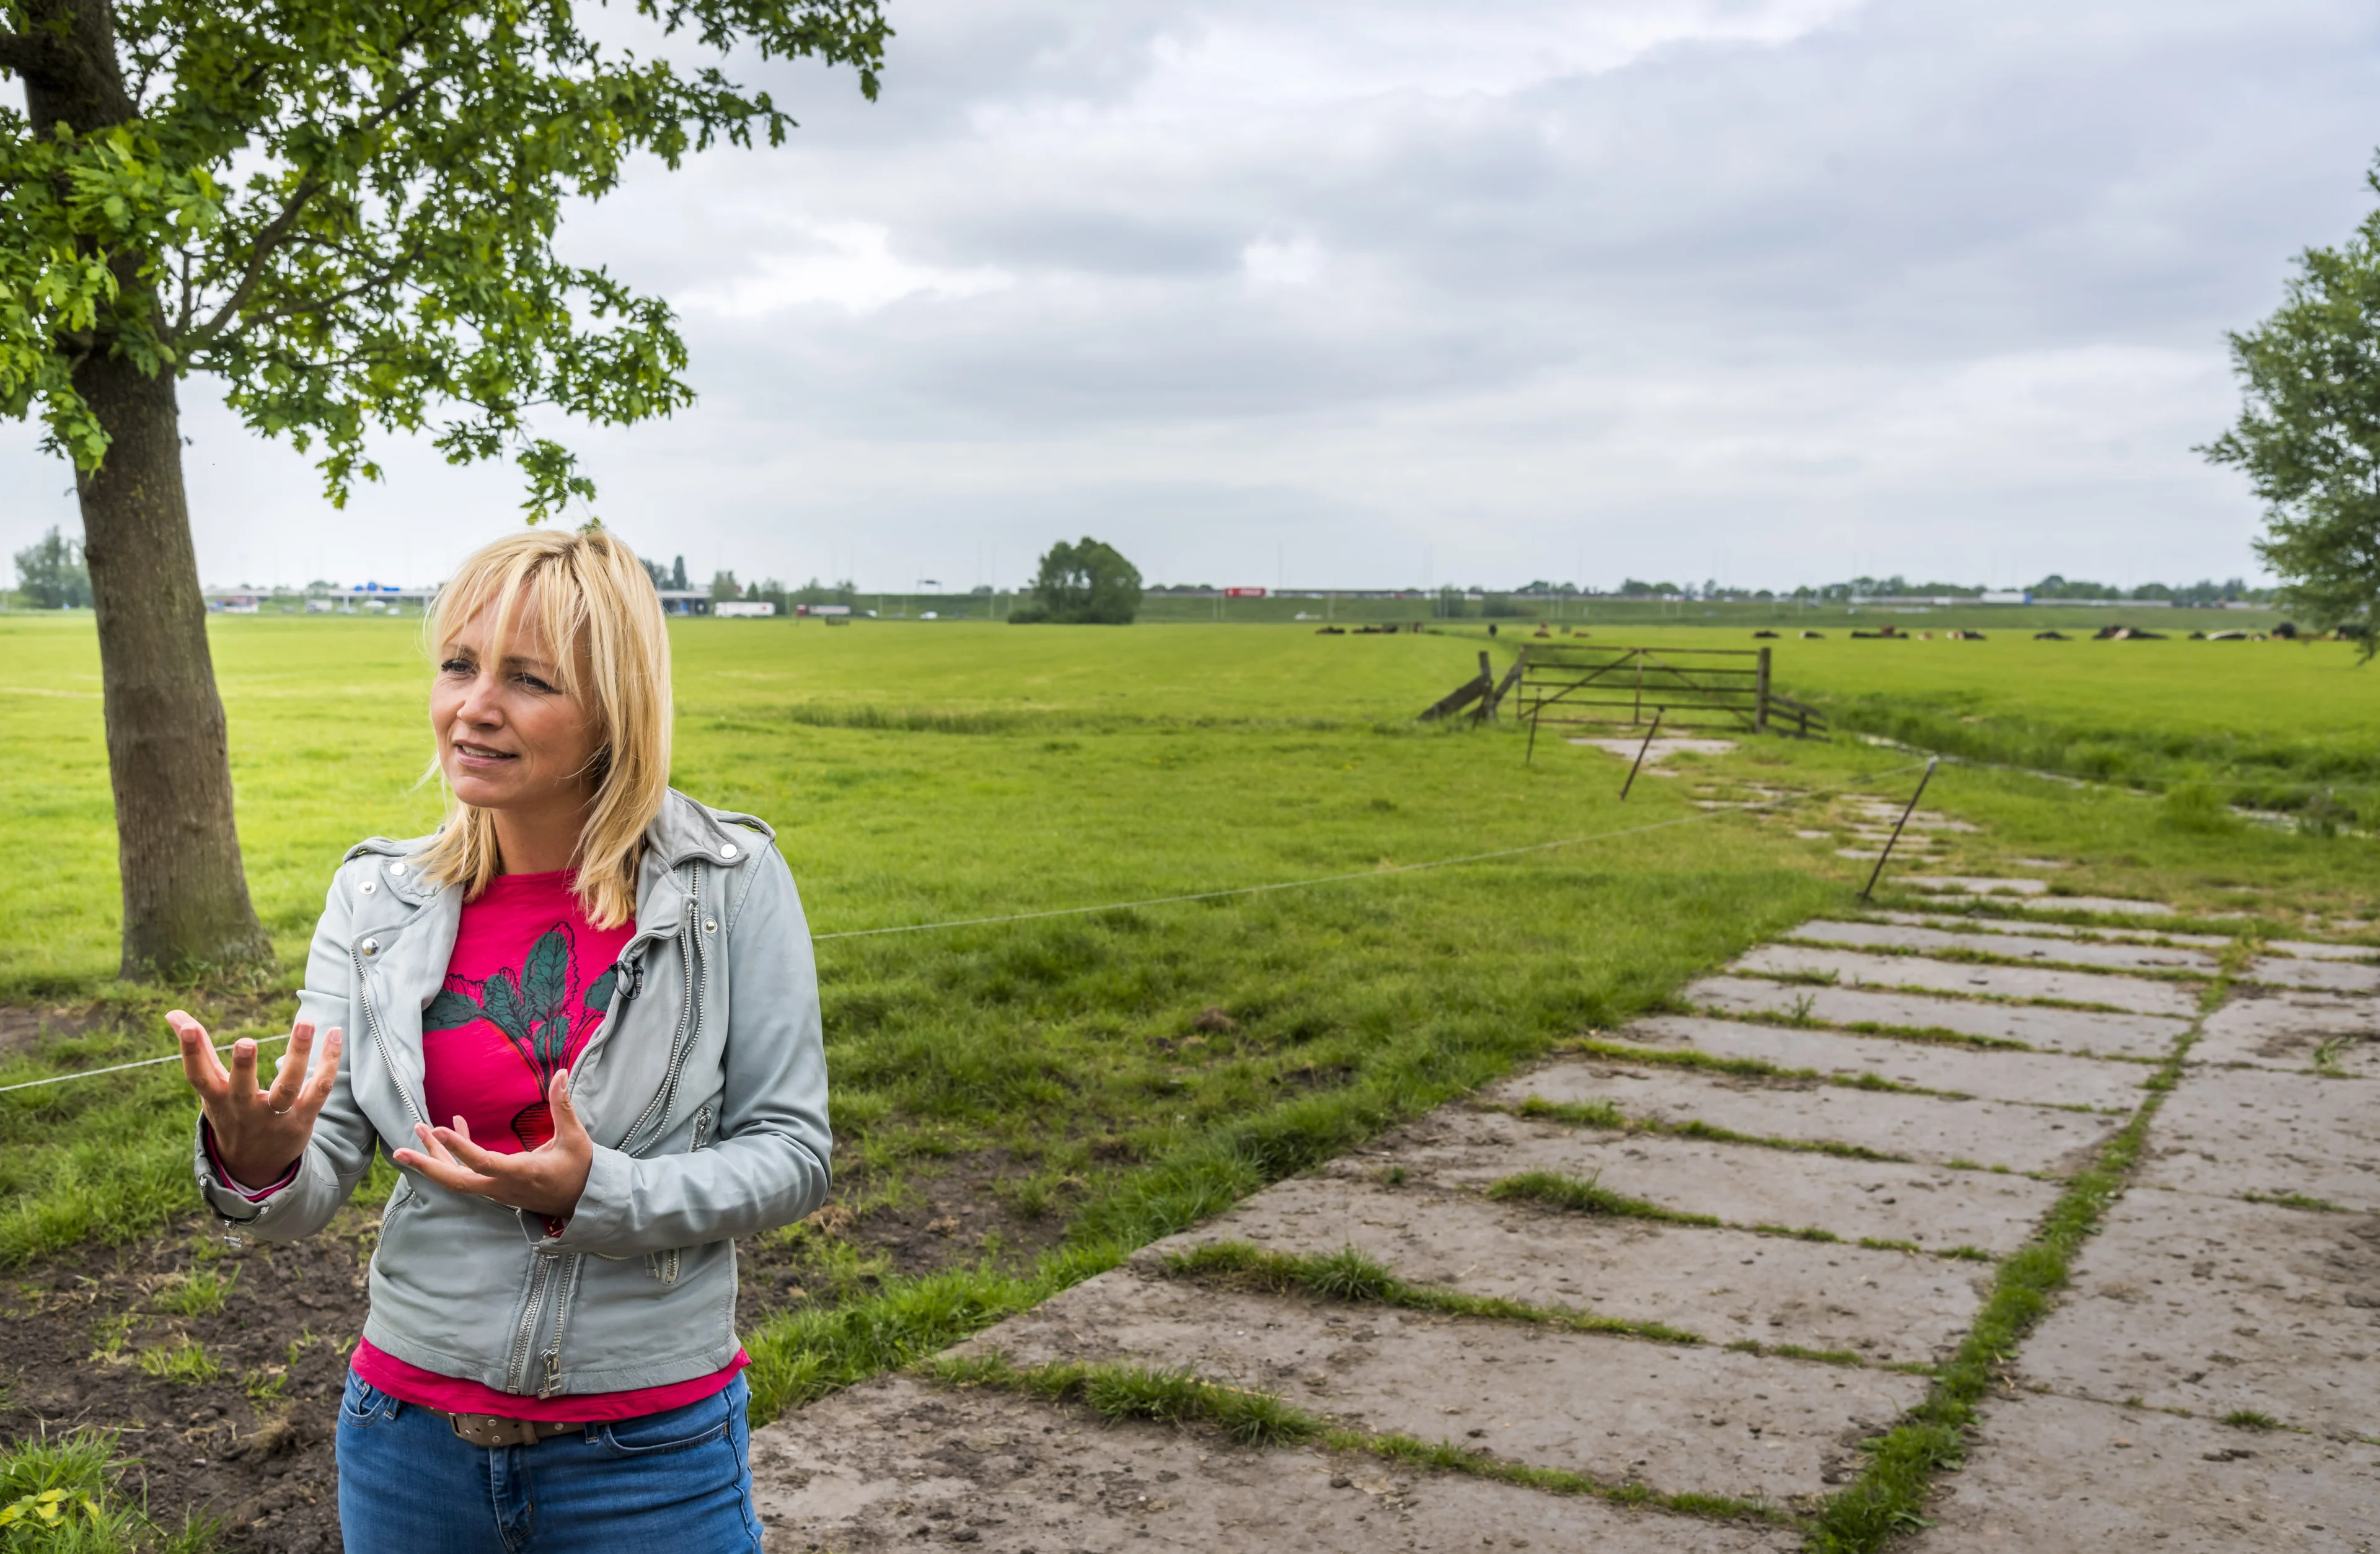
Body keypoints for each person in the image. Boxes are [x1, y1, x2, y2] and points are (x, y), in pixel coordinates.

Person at [170, 527, 830, 1553]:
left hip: (648, 1453)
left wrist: (592, 1192)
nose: (473, 706)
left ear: (614, 709)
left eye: (527, 679)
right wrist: (258, 1163)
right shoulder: (376, 897)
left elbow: (793, 1154)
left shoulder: (726, 882)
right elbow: (313, 1184)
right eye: (458, 666)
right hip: (407, 1442)